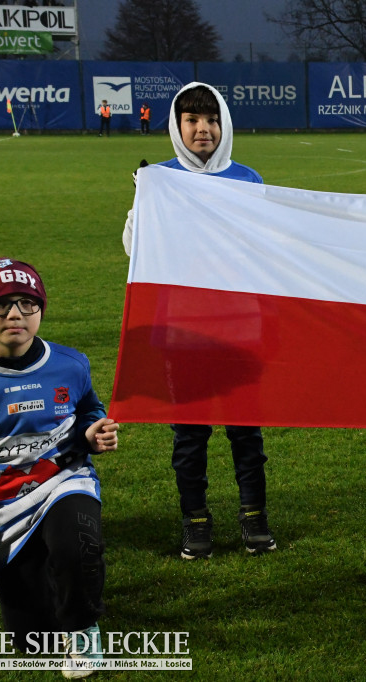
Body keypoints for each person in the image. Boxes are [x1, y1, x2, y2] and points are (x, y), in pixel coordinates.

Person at [0, 258, 119, 676]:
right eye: (0, 305)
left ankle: (84, 628)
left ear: (42, 308)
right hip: (2, 506)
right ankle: (54, 591)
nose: (16, 315)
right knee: (34, 641)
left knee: (75, 541)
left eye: (28, 303)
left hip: (64, 477)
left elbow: (88, 410)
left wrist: (92, 434)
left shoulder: (71, 363)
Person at [123, 82, 274, 560]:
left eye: (210, 120)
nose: (202, 129)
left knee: (246, 432)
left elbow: (267, 244)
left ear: (224, 124)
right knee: (189, 435)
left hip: (239, 329)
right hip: (182, 332)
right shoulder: (160, 180)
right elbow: (134, 248)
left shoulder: (248, 178)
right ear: (177, 126)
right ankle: (196, 521)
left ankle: (254, 518)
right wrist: (144, 202)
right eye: (191, 120)